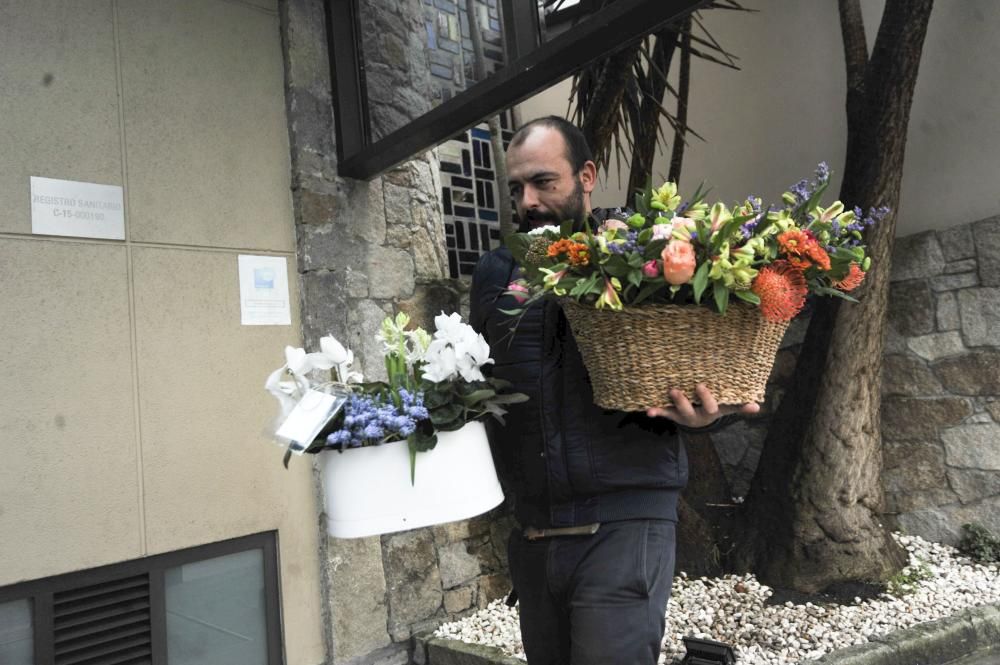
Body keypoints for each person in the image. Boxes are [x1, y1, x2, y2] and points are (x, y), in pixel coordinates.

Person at [468, 116, 759, 665]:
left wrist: (706, 417)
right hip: (533, 530)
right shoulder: (495, 272)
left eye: (542, 182)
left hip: (623, 523)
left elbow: (698, 361)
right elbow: (479, 382)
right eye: (515, 188)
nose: (527, 201)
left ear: (586, 176)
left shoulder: (641, 255)